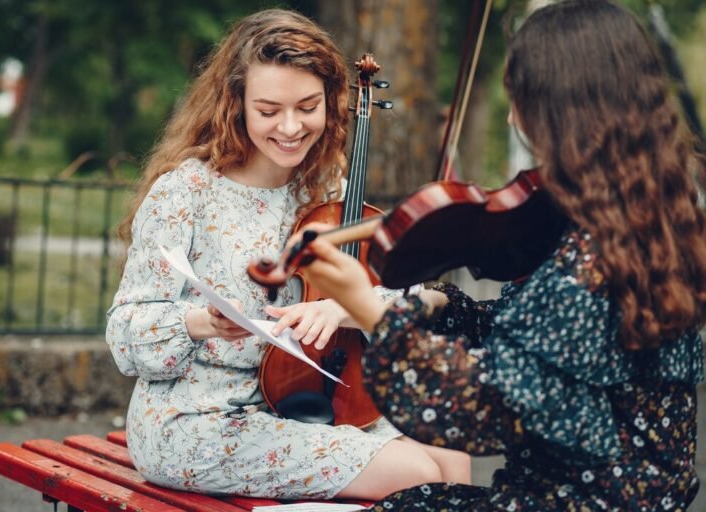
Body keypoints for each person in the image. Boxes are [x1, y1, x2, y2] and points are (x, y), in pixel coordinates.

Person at [296, 0, 706, 510]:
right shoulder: (648, 218)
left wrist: (366, 307)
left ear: (559, 111)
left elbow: (485, 408)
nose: (513, 117)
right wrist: (444, 303)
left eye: (520, 100)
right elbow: (556, 349)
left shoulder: (588, 259)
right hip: (643, 490)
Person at [105, 8, 470, 501]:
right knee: (415, 471)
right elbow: (125, 335)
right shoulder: (186, 193)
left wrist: (341, 304)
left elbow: (391, 290)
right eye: (268, 110)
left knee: (453, 456)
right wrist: (202, 322)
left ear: (331, 101)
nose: (291, 127)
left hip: (310, 402)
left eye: (307, 106)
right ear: (236, 103)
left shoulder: (326, 187)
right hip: (200, 423)